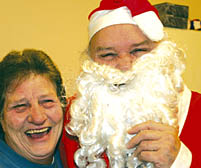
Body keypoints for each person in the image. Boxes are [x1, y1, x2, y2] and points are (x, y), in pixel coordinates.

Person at [61, 0, 201, 168]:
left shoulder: (197, 110)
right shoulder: (70, 118)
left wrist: (180, 161)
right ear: (90, 61)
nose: (125, 65)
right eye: (108, 55)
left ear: (162, 53)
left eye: (138, 51)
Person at [0, 49, 69, 168]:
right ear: (0, 117)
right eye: (20, 106)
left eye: (47, 101)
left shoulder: (78, 157)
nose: (38, 118)